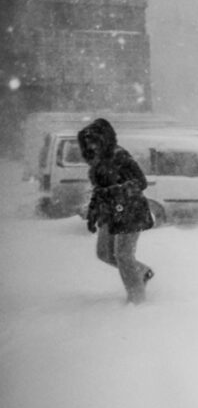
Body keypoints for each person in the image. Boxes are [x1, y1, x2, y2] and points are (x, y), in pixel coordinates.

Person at [78, 118, 155, 304]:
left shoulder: (120, 156)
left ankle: (136, 300)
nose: (92, 146)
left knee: (123, 256)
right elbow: (99, 190)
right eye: (88, 142)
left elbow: (140, 182)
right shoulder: (97, 162)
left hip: (130, 210)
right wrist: (93, 212)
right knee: (104, 253)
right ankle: (142, 272)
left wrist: (115, 192)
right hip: (110, 212)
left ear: (104, 139)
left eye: (95, 141)